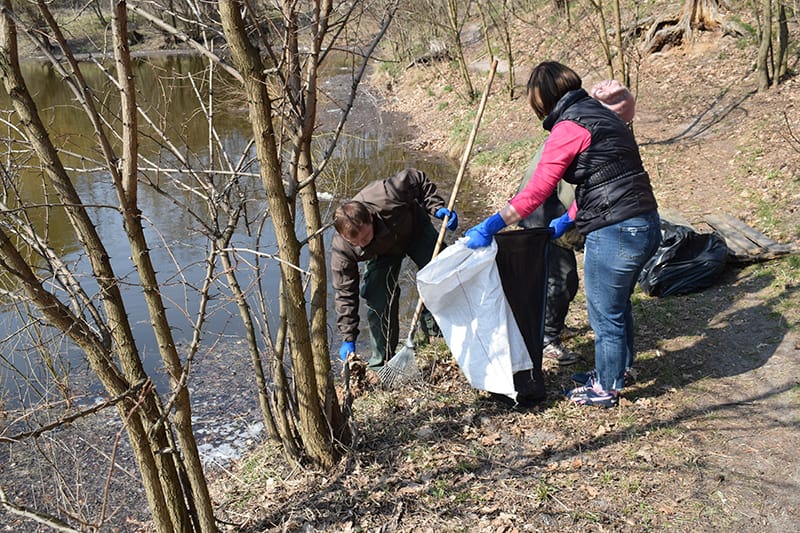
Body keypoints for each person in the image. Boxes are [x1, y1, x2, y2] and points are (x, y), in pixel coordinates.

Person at [465, 62, 660, 408]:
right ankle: (619, 369)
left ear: (543, 99)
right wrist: (569, 218)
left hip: (615, 231)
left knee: (604, 312)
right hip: (644, 222)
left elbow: (536, 192)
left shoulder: (568, 127)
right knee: (618, 305)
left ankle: (606, 387)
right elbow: (607, 176)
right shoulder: (603, 116)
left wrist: (492, 224)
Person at [518, 79, 637, 367]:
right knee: (562, 279)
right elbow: (578, 193)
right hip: (543, 213)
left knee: (562, 278)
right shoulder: (581, 135)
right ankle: (547, 337)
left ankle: (552, 325)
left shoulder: (586, 123)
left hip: (555, 210)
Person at [331, 168, 457, 371]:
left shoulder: (387, 194)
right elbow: (345, 293)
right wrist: (348, 336)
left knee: (440, 272)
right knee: (377, 296)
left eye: (365, 236)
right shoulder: (342, 249)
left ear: (370, 217)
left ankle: (436, 334)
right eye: (357, 242)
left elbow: (416, 178)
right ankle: (383, 361)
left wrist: (436, 207)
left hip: (414, 229)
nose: (362, 243)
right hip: (382, 253)